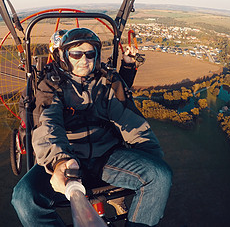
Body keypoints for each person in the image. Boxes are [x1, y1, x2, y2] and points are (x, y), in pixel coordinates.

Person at [12, 28, 172, 227]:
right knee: (24, 197)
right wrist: (60, 162)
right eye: (76, 54)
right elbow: (48, 125)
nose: (84, 59)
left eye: (89, 54)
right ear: (64, 56)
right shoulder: (50, 86)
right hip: (67, 159)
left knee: (160, 176)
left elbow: (130, 119)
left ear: (96, 56)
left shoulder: (107, 83)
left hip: (105, 156)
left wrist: (150, 155)